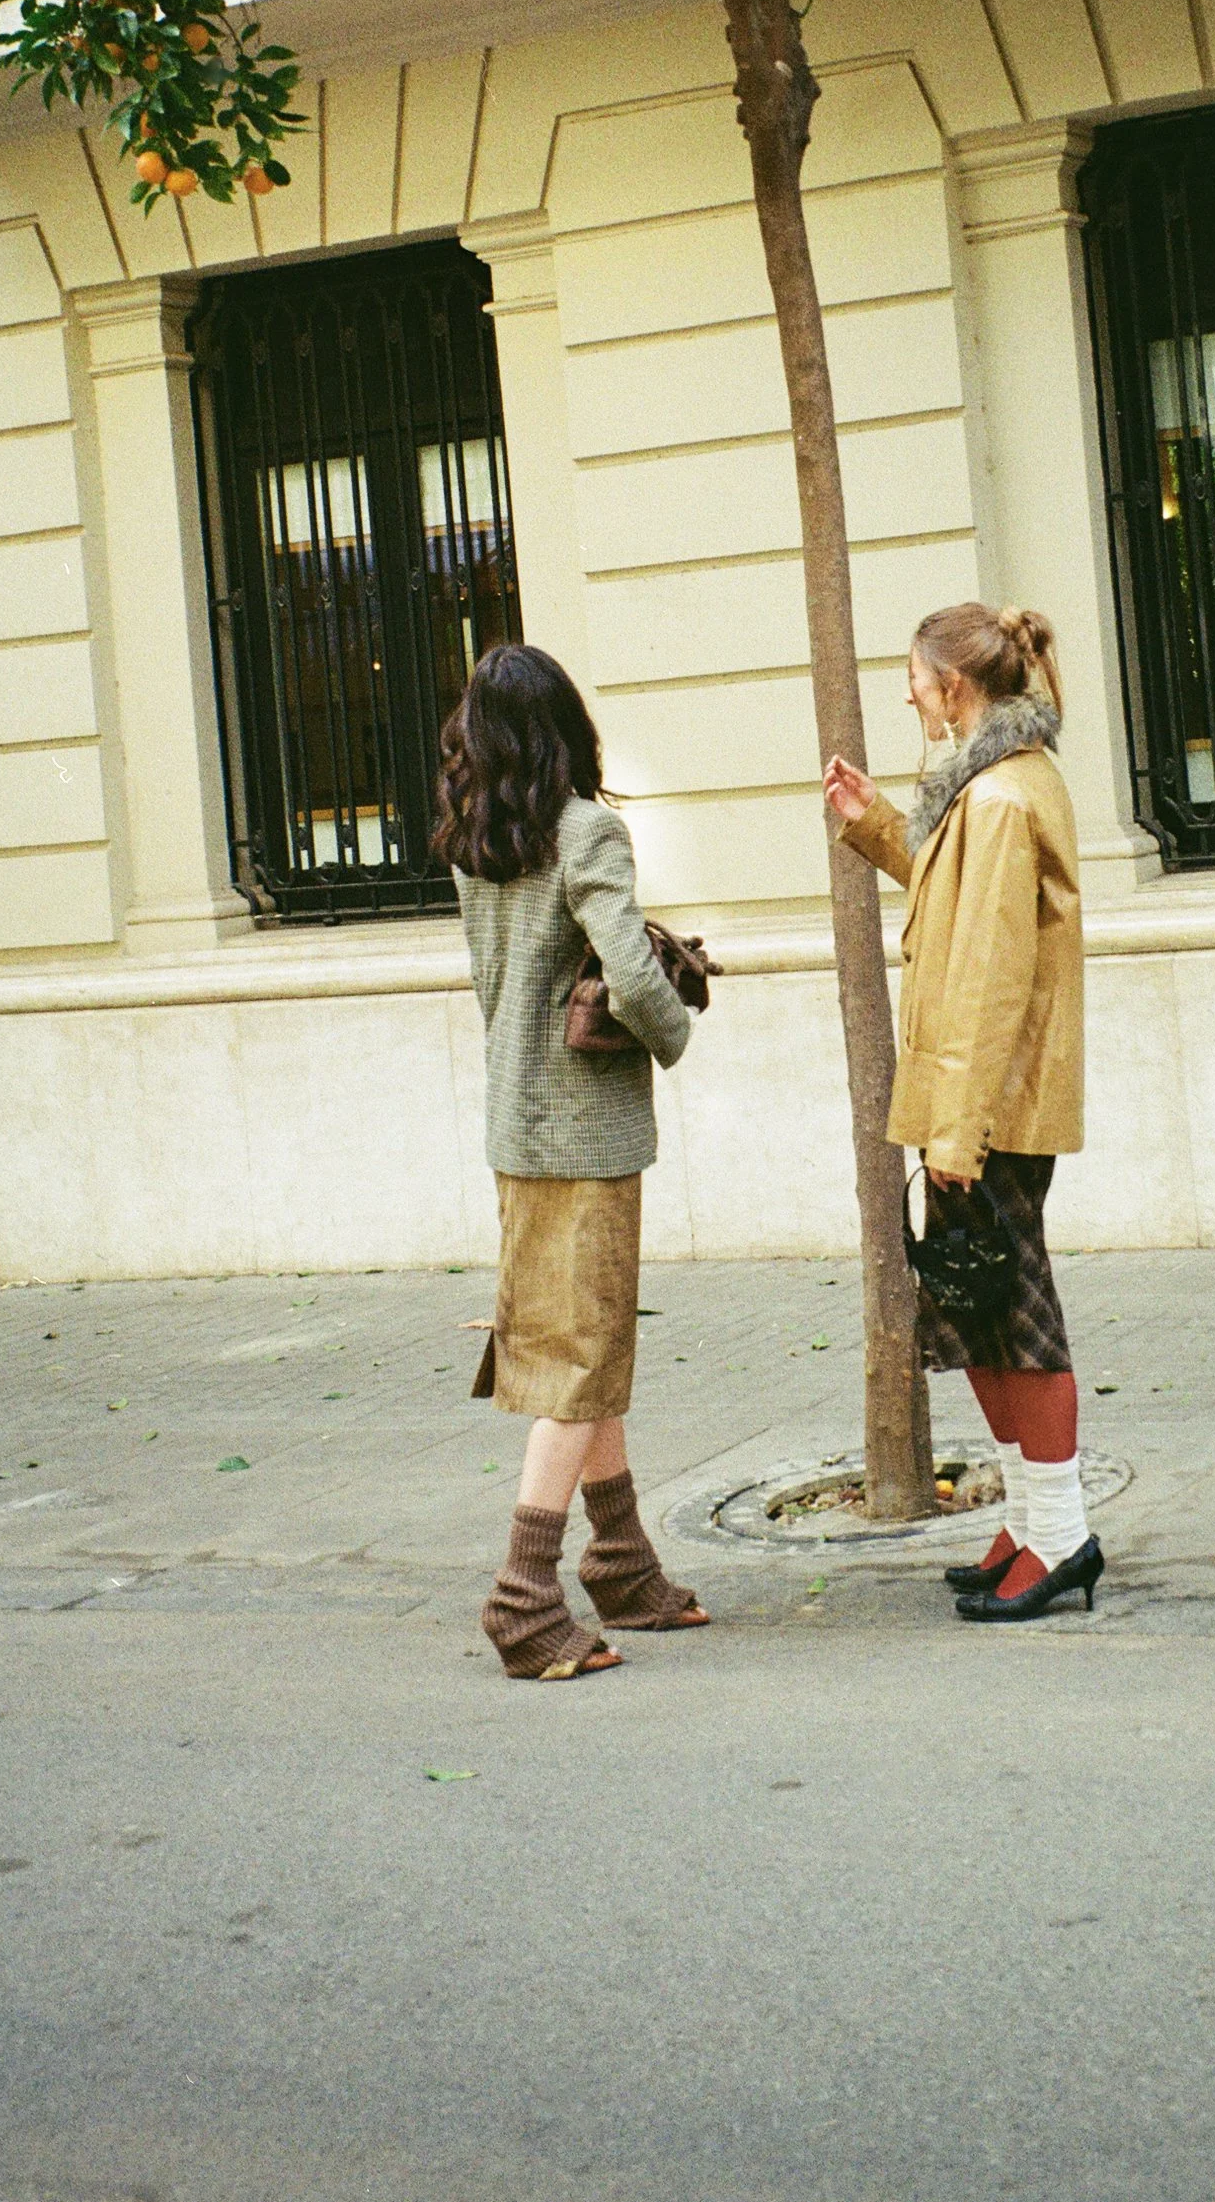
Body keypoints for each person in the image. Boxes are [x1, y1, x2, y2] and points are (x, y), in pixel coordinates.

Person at [435, 642, 709, 1681]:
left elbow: (488, 983)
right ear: (566, 727)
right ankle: (523, 1596)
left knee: (582, 1345)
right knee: (578, 1361)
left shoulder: (477, 837)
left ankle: (624, 1563)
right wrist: (673, 1035)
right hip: (582, 1135)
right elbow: (632, 974)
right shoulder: (585, 827)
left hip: (515, 1123)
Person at [824, 602, 1097, 1621]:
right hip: (981, 1101)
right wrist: (873, 826)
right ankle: (1031, 1517)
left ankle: (1061, 1533)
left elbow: (985, 972)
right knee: (979, 1311)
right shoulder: (991, 787)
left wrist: (956, 1135)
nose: (904, 692)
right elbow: (955, 902)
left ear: (953, 685)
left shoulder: (995, 798)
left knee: (1015, 1314)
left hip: (989, 1108)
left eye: (912, 674)